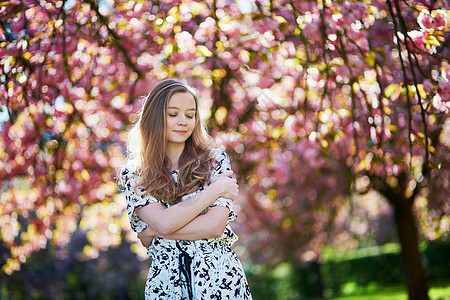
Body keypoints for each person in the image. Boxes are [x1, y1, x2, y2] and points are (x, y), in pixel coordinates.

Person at [118, 79, 252, 299]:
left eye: (190, 115)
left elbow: (214, 226)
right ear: (154, 117)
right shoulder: (135, 174)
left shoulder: (215, 161)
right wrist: (214, 190)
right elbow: (164, 222)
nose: (183, 121)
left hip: (220, 282)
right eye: (173, 114)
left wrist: (155, 232)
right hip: (166, 286)